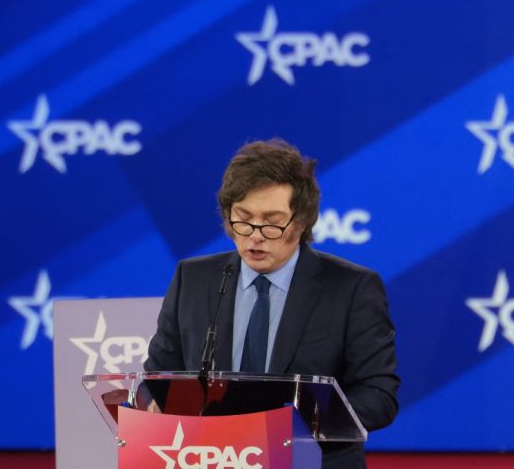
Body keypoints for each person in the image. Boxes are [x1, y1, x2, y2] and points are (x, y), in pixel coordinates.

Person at [144, 139, 399, 469]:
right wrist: (156, 406)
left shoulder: (352, 289)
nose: (255, 235)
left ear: (303, 221)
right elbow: (159, 377)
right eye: (243, 218)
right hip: (211, 460)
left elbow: (379, 394)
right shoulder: (193, 279)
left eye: (272, 221)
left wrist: (295, 429)